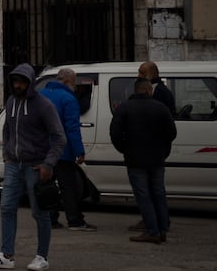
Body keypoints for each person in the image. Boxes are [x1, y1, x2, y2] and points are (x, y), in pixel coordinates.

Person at [0, 63, 65, 271]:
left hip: (35, 166)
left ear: (30, 83)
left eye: (22, 82)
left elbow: (58, 137)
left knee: (39, 212)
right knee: (7, 207)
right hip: (13, 165)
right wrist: (7, 154)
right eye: (15, 82)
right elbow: (7, 129)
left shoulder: (43, 105)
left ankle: (42, 256)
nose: (18, 85)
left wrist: (48, 163)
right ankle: (7, 254)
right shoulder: (11, 102)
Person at [110, 77, 177, 245]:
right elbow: (171, 133)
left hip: (135, 159)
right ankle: (162, 229)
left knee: (143, 195)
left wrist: (125, 149)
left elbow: (115, 133)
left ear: (135, 90)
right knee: (159, 193)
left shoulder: (124, 108)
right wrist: (163, 150)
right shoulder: (160, 108)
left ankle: (152, 231)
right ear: (149, 90)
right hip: (157, 158)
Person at [39, 68, 95, 232]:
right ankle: (74, 220)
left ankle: (50, 219)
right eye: (74, 82)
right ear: (66, 81)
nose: (75, 86)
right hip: (62, 151)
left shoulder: (40, 95)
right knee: (68, 186)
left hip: (43, 150)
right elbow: (72, 128)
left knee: (47, 184)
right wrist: (79, 150)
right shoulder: (68, 99)